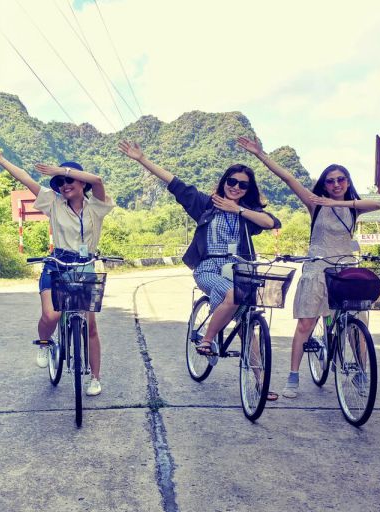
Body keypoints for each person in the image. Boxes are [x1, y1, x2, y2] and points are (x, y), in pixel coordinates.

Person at [118, 140, 281, 386]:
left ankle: (259, 382)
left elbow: (272, 222)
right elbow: (175, 183)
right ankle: (207, 338)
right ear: (224, 182)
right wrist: (141, 159)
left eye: (243, 185)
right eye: (232, 181)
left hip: (240, 268)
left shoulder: (247, 213)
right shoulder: (206, 205)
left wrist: (236, 209)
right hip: (208, 267)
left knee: (249, 324)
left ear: (248, 189)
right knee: (232, 294)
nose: (236, 186)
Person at [237, 134, 380, 398]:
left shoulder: (353, 207)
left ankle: (362, 371)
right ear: (323, 185)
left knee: (357, 323)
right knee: (306, 323)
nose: (336, 184)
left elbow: (377, 203)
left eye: (341, 179)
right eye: (330, 181)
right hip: (317, 268)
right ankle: (293, 376)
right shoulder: (315, 205)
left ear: (347, 182)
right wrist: (260, 154)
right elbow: (289, 179)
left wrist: (339, 202)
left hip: (346, 269)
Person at [0, 142, 113, 396]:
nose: (64, 185)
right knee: (51, 316)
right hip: (57, 264)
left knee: (90, 326)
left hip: (85, 266)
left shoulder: (97, 206)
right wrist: (0, 159)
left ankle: (95, 377)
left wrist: (62, 170)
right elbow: (26, 178)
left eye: (69, 180)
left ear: (82, 183)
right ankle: (45, 342)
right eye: (60, 182)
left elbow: (98, 179)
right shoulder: (53, 202)